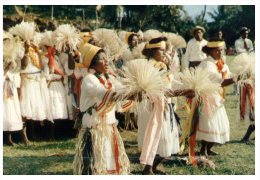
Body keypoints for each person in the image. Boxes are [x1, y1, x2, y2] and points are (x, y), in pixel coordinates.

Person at [139, 36, 194, 174]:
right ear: (152, 52)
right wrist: (183, 91)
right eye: (162, 51)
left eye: (166, 51)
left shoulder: (162, 66)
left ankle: (150, 167)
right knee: (157, 137)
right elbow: (161, 90)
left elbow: (172, 82)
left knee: (164, 139)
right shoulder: (151, 67)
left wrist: (188, 88)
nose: (166, 54)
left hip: (164, 106)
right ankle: (148, 169)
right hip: (154, 108)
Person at [73, 43, 131, 175]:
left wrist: (135, 91)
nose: (107, 61)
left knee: (107, 162)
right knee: (93, 165)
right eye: (102, 59)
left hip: (108, 128)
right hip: (95, 130)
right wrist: (122, 93)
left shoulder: (108, 78)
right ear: (92, 63)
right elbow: (103, 93)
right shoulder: (89, 79)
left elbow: (121, 90)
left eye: (107, 58)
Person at [196, 38, 236, 157]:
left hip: (217, 97)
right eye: (217, 50)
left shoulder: (219, 62)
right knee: (210, 124)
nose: (220, 53)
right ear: (210, 51)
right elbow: (220, 82)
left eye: (221, 50)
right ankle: (203, 149)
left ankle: (208, 148)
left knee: (218, 123)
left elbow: (227, 75)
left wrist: (239, 75)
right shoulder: (207, 64)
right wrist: (235, 79)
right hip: (208, 97)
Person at [233, 27, 254, 95]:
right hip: (240, 60)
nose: (246, 35)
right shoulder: (237, 41)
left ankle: (247, 89)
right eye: (244, 33)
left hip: (248, 60)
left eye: (247, 33)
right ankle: (236, 91)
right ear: (241, 33)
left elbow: (251, 50)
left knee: (248, 75)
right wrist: (246, 50)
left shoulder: (249, 41)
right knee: (238, 75)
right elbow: (238, 50)